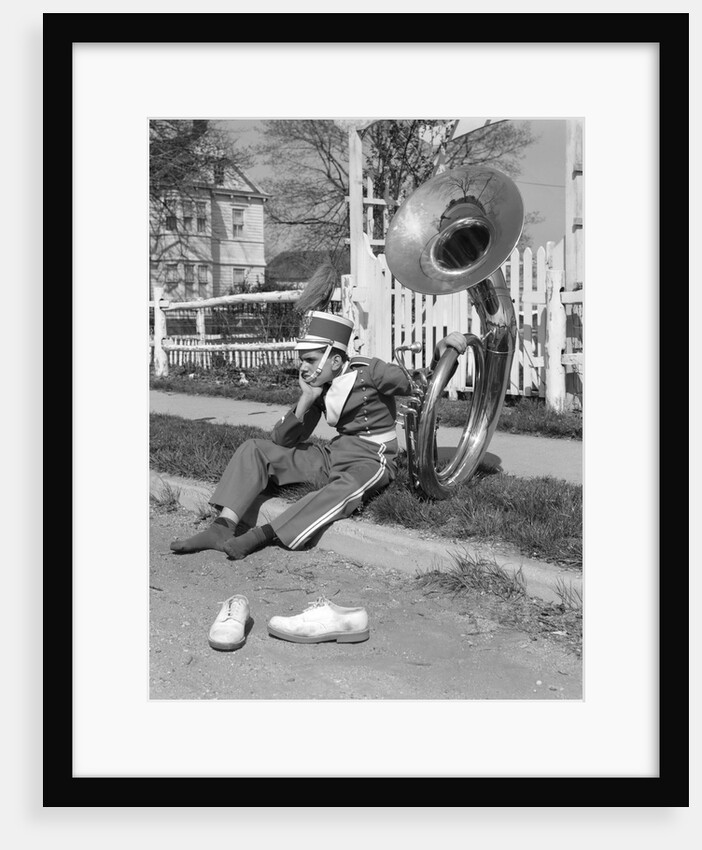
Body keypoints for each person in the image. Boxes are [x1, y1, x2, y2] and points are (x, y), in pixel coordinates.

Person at [170, 310, 468, 562]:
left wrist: (442, 355)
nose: (303, 366)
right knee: (254, 448)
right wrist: (306, 399)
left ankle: (265, 534)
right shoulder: (320, 389)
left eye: (311, 360)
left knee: (346, 487)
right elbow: (283, 441)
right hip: (335, 453)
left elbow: (421, 385)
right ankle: (222, 526)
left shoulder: (371, 371)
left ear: (335, 361)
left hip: (372, 459)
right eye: (303, 360)